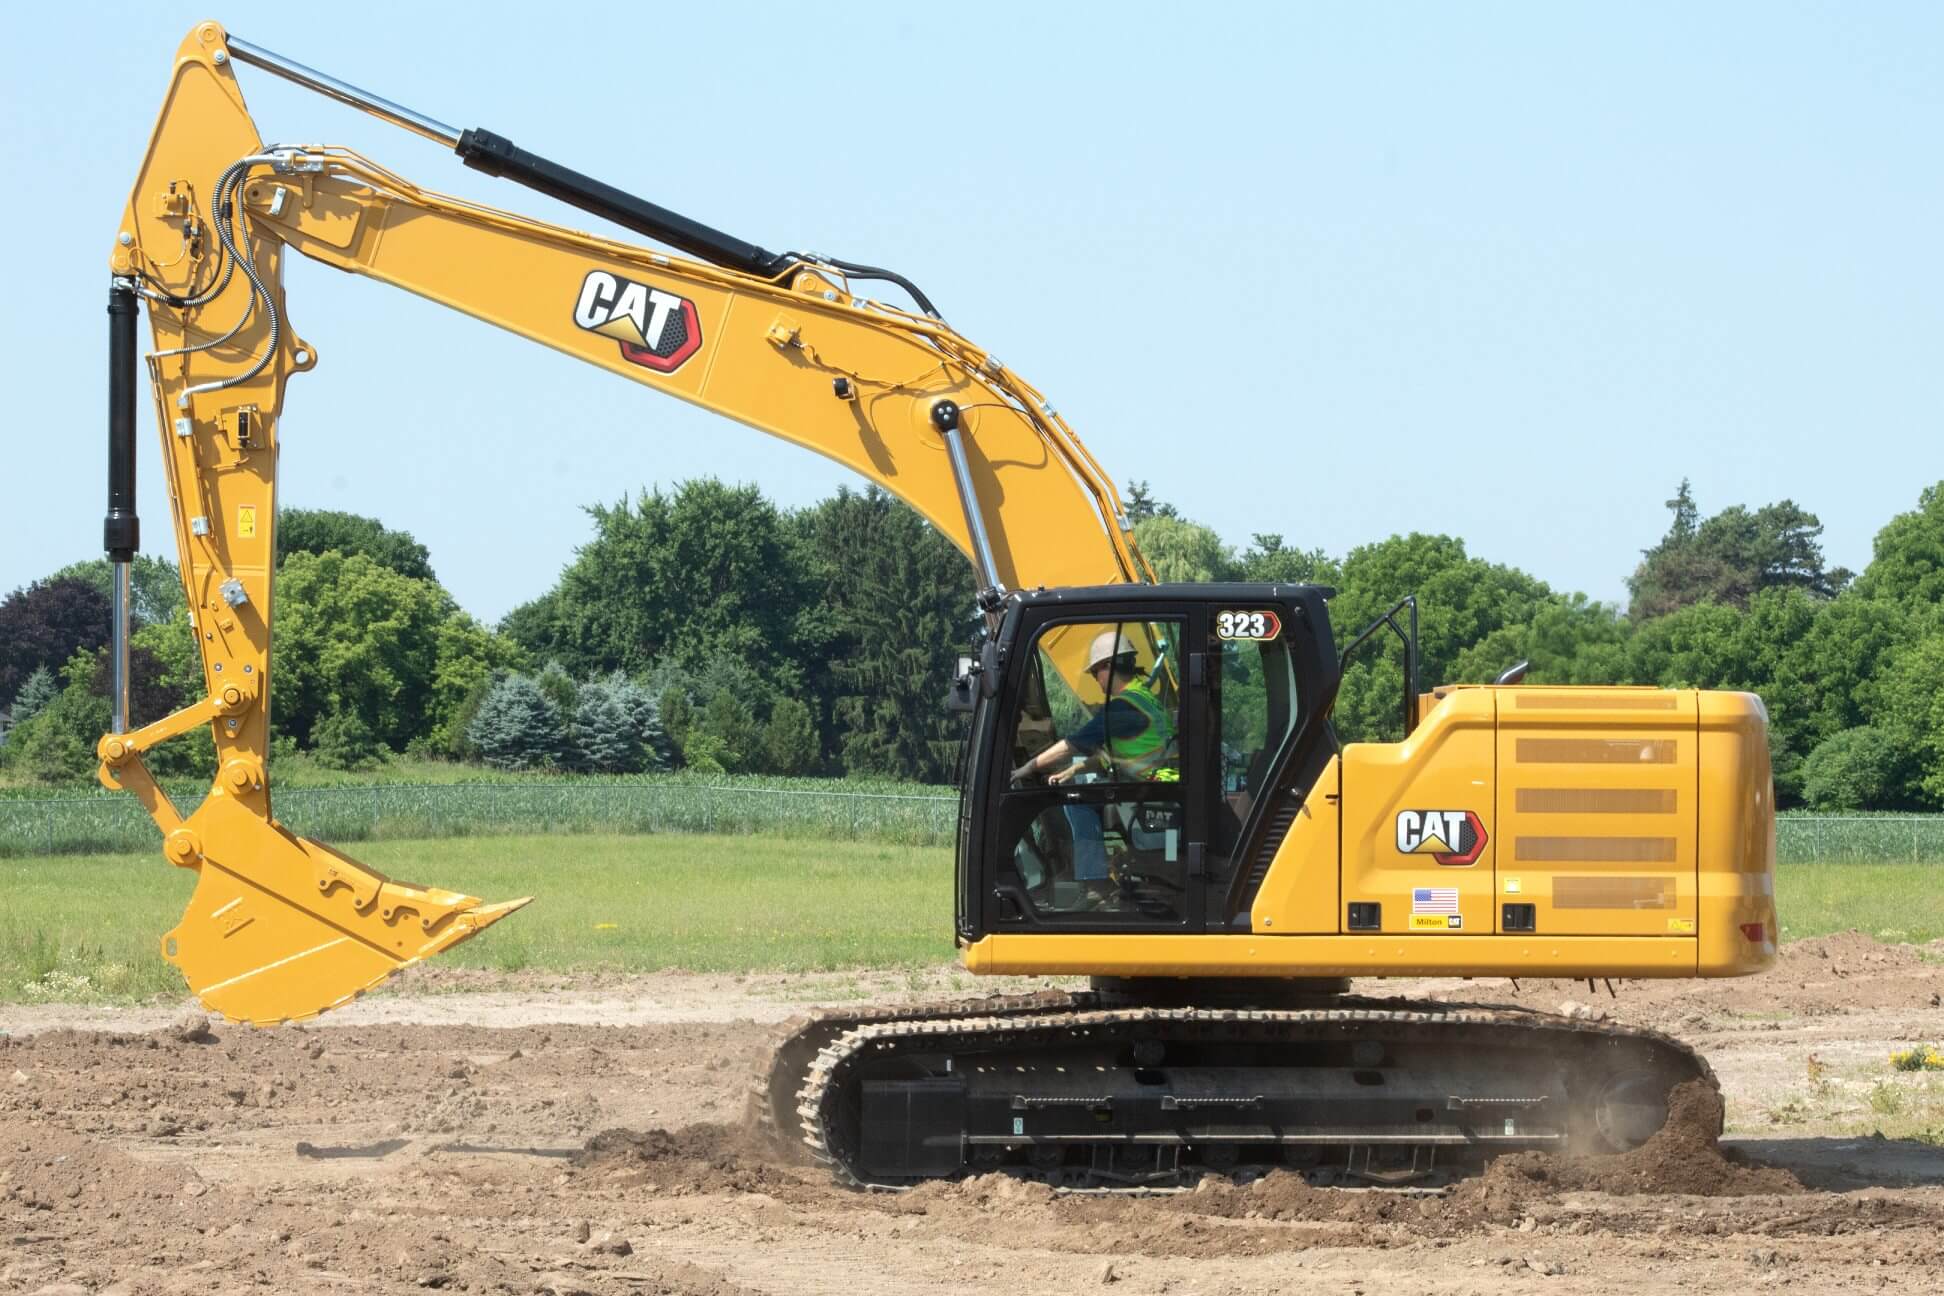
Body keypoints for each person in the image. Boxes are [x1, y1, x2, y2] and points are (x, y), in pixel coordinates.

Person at [1010, 629, 1177, 908]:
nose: (1095, 680)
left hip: (1148, 791)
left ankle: (1095, 881)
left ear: (1109, 668)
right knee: (1080, 784)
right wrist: (1075, 771)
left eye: (1096, 672)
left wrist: (1028, 767)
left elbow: (1072, 744)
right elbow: (1124, 753)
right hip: (1160, 783)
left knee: (1076, 799)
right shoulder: (1145, 699)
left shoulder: (1122, 708)